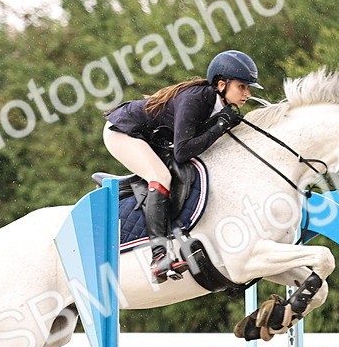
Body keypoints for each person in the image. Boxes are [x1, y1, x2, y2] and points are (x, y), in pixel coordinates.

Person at [104, 49, 261, 281]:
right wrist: (219, 127)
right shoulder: (195, 99)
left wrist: (221, 124)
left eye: (248, 88)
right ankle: (158, 257)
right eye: (242, 87)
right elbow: (183, 151)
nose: (247, 93)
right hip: (122, 132)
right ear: (221, 84)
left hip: (150, 138)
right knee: (161, 177)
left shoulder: (216, 104)